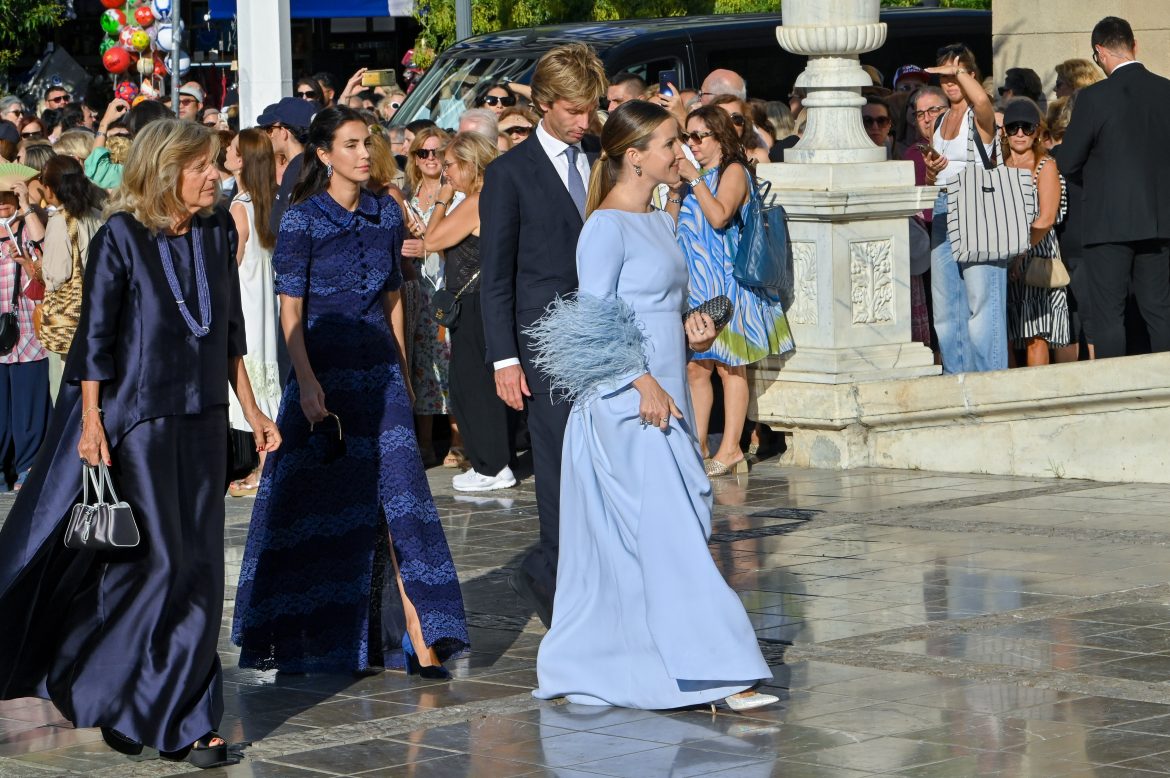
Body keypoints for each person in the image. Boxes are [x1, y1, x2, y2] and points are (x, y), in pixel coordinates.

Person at [0, 118, 280, 769]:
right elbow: (96, 340)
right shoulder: (122, 238)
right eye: (203, 165)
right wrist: (92, 423)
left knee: (202, 570)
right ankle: (165, 712)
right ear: (165, 170)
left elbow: (229, 332)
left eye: (216, 163)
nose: (216, 174)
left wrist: (253, 409)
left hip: (207, 419)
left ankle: (153, 707)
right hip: (139, 425)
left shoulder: (215, 230)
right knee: (161, 566)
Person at [529, 100, 776, 713]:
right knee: (673, 539)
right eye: (670, 144)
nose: (682, 155)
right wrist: (641, 382)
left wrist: (694, 328)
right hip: (627, 405)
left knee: (679, 527)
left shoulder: (662, 222)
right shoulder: (604, 228)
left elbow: (660, 305)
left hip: (667, 396)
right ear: (634, 156)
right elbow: (594, 319)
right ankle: (724, 671)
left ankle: (651, 661)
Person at [232, 106, 469, 678]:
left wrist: (405, 379)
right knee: (312, 508)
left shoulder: (386, 214)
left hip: (381, 378)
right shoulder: (301, 220)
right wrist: (307, 384)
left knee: (403, 502)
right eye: (353, 144)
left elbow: (393, 301)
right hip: (321, 379)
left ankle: (422, 634)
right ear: (324, 154)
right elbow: (290, 311)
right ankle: (304, 640)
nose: (365, 154)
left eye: (369, 143)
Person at [480, 42, 607, 628]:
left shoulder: (605, 156)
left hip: (605, 335)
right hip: (543, 343)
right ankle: (554, 582)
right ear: (546, 106)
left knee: (604, 460)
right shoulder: (509, 173)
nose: (586, 122)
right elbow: (496, 275)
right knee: (556, 465)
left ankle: (603, 575)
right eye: (576, 111)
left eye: (592, 109)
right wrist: (505, 359)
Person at [676, 105, 793, 477]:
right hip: (696, 286)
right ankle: (697, 444)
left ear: (719, 136)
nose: (691, 144)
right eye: (687, 136)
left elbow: (720, 215)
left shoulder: (734, 171)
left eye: (699, 136)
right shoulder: (692, 177)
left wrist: (693, 180)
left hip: (729, 284)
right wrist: (677, 191)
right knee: (696, 368)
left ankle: (731, 450)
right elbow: (673, 224)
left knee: (731, 367)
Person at [1058, 16, 1170, 359]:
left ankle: (1116, 398)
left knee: (1109, 315)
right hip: (1160, 220)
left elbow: (1067, 162)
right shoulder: (1167, 90)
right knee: (1160, 310)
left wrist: (1097, 180)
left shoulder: (1093, 98)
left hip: (1107, 223)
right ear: (1134, 46)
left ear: (1099, 52)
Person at [421, 132, 518, 491]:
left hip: (475, 303)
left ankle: (492, 466)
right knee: (480, 383)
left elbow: (431, 241)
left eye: (449, 165)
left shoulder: (476, 200)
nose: (445, 173)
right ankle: (495, 460)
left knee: (471, 386)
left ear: (468, 164)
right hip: (487, 300)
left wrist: (442, 201)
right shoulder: (497, 196)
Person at [921, 44, 1000, 373]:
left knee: (982, 303)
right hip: (942, 205)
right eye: (946, 73)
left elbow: (981, 100)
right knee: (946, 307)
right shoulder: (939, 121)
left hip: (976, 205)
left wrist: (959, 73)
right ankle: (957, 381)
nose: (951, 79)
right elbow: (932, 176)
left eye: (960, 71)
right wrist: (931, 168)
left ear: (972, 75)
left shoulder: (980, 114)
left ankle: (989, 383)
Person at [222, 129, 282, 496]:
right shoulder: (272, 203)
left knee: (254, 383)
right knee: (269, 381)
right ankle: (268, 464)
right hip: (269, 305)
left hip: (246, 304)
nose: (225, 155)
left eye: (229, 150)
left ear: (242, 159)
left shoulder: (239, 208)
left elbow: (232, 264)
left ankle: (264, 467)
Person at [400, 126, 457, 468]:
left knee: (450, 363)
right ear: (415, 159)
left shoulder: (458, 195)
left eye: (437, 152)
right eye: (424, 153)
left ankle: (457, 439)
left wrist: (432, 242)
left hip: (448, 290)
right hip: (417, 292)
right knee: (421, 365)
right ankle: (423, 442)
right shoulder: (406, 198)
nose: (431, 158)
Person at [1001, 99, 1070, 366]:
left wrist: (1020, 253)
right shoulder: (998, 166)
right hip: (1002, 254)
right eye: (1013, 127)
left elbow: (1047, 218)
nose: (1020, 134)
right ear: (1004, 131)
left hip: (1036, 253)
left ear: (1038, 131)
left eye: (1027, 128)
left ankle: (1037, 400)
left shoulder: (1046, 166)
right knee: (1003, 331)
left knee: (1036, 334)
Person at [36, 155, 105, 399]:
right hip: (101, 312)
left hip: (70, 320)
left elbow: (57, 275)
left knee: (67, 391)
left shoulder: (60, 222)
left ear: (52, 188)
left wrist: (37, 266)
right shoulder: (98, 214)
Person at [0, 178, 48, 491]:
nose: (2, 202)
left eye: (7, 196)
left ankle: (27, 467)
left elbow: (46, 261)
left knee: (28, 406)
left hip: (28, 331)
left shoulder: (26, 230)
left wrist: (27, 205)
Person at [259, 97, 317, 235]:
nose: (268, 135)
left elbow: (281, 225)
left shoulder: (298, 169)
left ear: (284, 131)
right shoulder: (312, 163)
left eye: (269, 129)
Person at [710, 95, 769, 165]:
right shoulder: (701, 156)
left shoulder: (759, 157)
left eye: (736, 118)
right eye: (722, 119)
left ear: (745, 122)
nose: (730, 125)